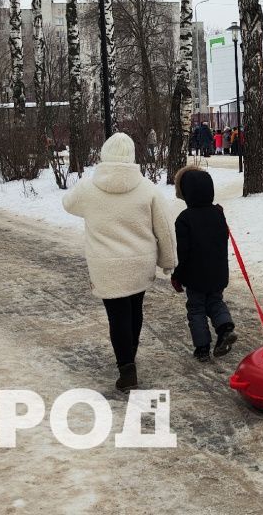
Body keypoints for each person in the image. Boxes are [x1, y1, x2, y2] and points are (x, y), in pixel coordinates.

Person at [62, 132, 178, 391]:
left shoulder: (87, 189)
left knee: (117, 316)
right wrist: (168, 261)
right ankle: (130, 356)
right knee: (135, 311)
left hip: (105, 266)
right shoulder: (148, 189)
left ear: (104, 155)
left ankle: (127, 367)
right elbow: (165, 230)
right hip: (140, 264)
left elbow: (68, 204)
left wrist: (89, 199)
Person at [171, 166, 236, 362]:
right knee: (215, 301)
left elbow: (182, 252)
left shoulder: (184, 219)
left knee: (197, 308)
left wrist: (177, 275)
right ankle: (225, 328)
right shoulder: (218, 213)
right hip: (217, 272)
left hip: (195, 275)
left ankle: (202, 348)